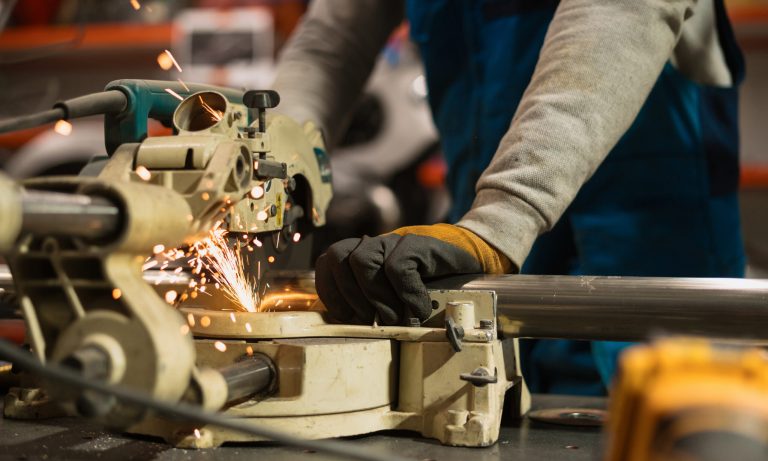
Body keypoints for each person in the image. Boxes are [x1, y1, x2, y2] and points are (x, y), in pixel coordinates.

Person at [272, 0, 745, 395]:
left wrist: (497, 224)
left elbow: (620, 12)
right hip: (485, 282)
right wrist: (271, 168)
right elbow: (329, 46)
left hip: (652, 289)